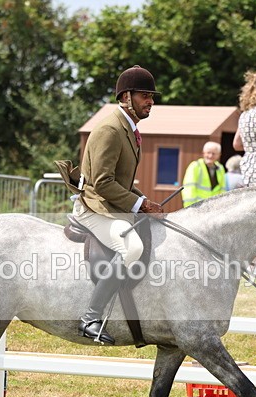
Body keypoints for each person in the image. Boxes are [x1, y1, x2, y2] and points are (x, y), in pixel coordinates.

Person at [73, 65, 164, 345]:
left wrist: (145, 201)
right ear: (126, 97)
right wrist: (140, 203)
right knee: (132, 247)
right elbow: (101, 183)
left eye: (152, 96)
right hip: (94, 207)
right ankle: (90, 317)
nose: (150, 101)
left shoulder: (128, 128)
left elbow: (121, 182)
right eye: (144, 96)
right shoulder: (110, 129)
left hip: (111, 204)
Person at [180, 141, 225, 207]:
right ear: (203, 153)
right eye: (208, 152)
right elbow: (189, 188)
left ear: (219, 155)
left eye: (213, 153)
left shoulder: (220, 168)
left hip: (214, 207)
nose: (210, 156)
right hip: (198, 207)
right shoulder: (195, 166)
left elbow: (222, 189)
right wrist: (190, 208)